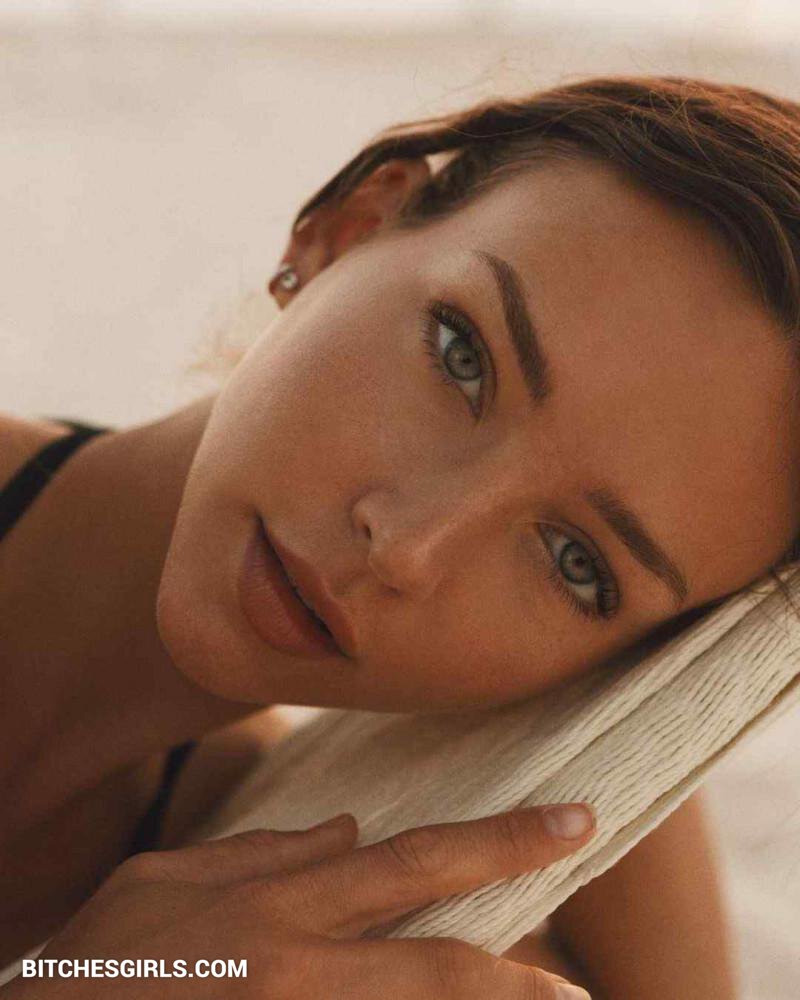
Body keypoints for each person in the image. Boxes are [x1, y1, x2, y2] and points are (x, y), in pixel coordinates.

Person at [3, 71, 796, 997]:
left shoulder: (248, 885)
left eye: (576, 563)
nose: (409, 549)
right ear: (347, 229)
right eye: (462, 359)